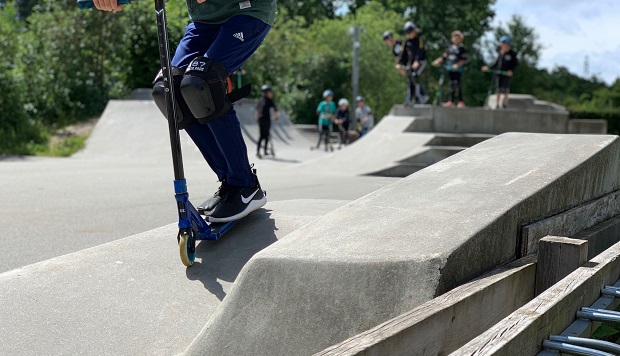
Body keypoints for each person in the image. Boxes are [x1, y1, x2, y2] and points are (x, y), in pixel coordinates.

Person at [92, 0, 275, 223]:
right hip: (204, 21)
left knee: (201, 82)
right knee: (168, 91)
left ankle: (244, 184)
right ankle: (230, 181)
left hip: (247, 11)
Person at [432, 30, 468, 107]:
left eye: (458, 37)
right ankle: (451, 101)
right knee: (451, 84)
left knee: (458, 84)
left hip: (458, 70)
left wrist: (457, 65)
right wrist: (438, 61)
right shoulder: (449, 48)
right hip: (450, 68)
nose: (456, 39)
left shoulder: (461, 49)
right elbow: (444, 57)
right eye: (454, 37)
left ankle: (460, 101)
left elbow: (464, 59)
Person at [482, 35, 518, 109]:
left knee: (505, 89)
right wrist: (488, 67)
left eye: (504, 45)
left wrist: (511, 71)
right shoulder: (501, 53)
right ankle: (497, 104)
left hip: (507, 74)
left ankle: (504, 104)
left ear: (507, 45)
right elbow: (496, 63)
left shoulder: (512, 54)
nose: (502, 47)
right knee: (498, 89)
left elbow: (515, 64)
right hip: (499, 73)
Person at [398, 21, 429, 106]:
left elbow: (420, 51)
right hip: (410, 63)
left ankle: (420, 97)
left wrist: (417, 61)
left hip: (421, 61)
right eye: (408, 33)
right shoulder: (406, 41)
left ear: (414, 31)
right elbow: (402, 53)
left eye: (411, 32)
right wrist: (399, 63)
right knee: (409, 79)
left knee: (414, 76)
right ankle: (410, 99)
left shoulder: (419, 39)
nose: (409, 34)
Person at [255, 84, 278, 159]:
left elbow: (275, 109)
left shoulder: (266, 100)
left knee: (267, 136)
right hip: (263, 120)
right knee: (262, 136)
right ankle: (258, 152)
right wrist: (276, 116)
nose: (271, 93)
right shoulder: (263, 100)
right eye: (270, 92)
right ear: (267, 92)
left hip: (265, 120)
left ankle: (265, 151)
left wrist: (275, 116)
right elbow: (258, 110)